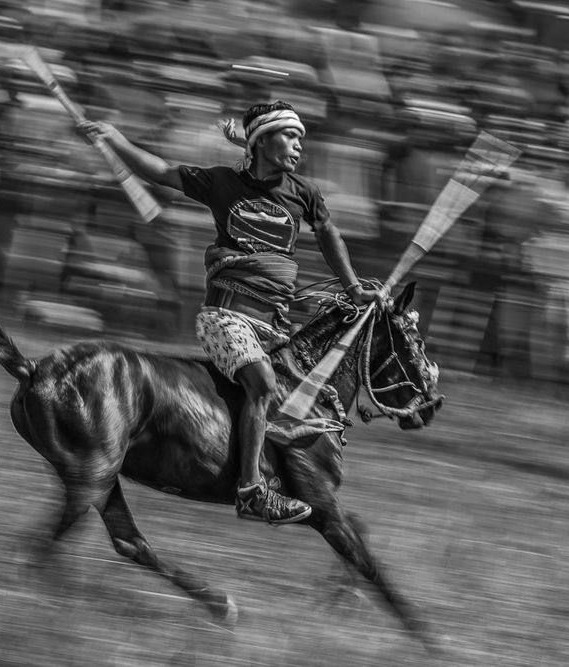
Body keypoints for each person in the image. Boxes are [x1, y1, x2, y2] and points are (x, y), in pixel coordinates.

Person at [78, 100, 383, 524]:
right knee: (261, 384)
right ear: (262, 141)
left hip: (273, 324)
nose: (298, 146)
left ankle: (295, 476)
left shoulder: (303, 193)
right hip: (226, 318)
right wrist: (114, 139)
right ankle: (251, 491)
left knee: (306, 399)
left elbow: (329, 233)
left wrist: (353, 286)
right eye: (290, 136)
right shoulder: (222, 183)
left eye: (301, 138)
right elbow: (162, 172)